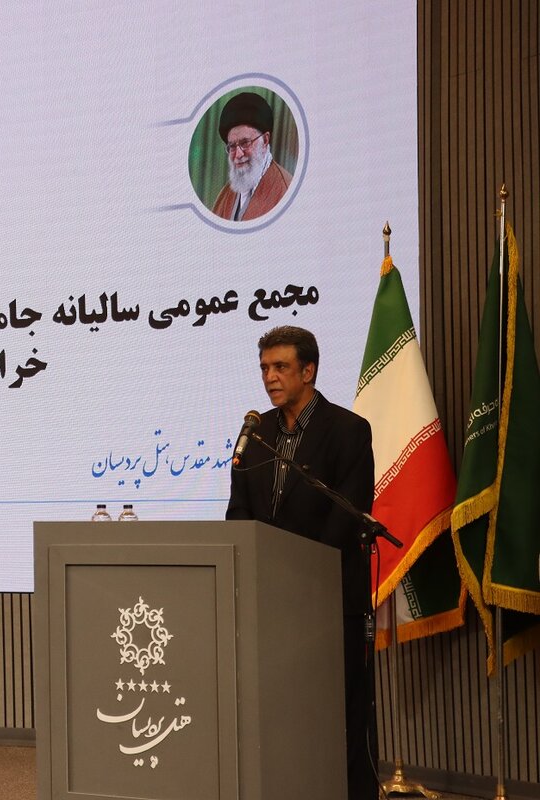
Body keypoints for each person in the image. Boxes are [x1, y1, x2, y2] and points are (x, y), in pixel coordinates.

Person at [225, 325, 378, 800]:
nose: (269, 377)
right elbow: (239, 511)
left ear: (308, 371)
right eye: (264, 368)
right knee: (279, 713)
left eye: (280, 367)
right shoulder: (256, 433)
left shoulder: (348, 430)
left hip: (327, 598)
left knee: (337, 714)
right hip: (267, 601)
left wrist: (294, 575)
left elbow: (346, 516)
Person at [211, 92, 293, 222]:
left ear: (265, 140)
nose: (238, 154)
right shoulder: (225, 195)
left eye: (245, 143)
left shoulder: (286, 191)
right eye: (232, 146)